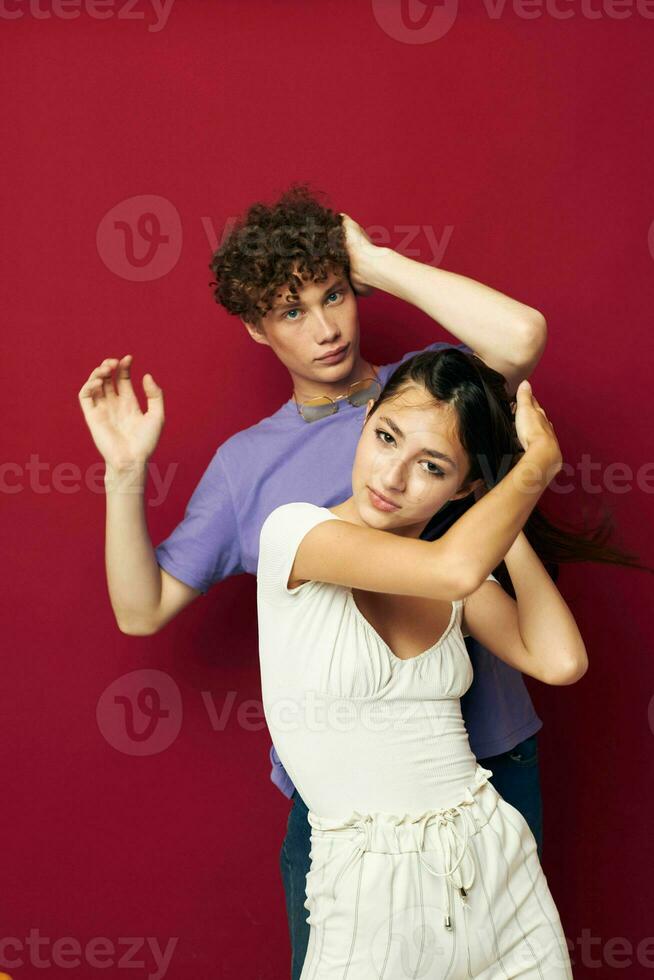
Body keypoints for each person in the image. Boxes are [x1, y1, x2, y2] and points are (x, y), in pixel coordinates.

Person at [77, 184, 550, 978]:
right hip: (347, 809)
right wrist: (125, 473)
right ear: (257, 328)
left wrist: (373, 259)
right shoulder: (247, 468)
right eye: (291, 311)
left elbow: (521, 335)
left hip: (487, 767)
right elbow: (141, 608)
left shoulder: (426, 394)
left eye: (334, 294)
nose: (326, 327)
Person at [256, 348, 584, 978]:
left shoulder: (454, 580)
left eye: (431, 466)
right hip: (369, 886)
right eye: (386, 437)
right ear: (365, 420)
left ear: (465, 487)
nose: (392, 477)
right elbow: (453, 565)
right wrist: (536, 467)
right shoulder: (296, 534)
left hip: (494, 863)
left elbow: (560, 660)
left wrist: (504, 511)